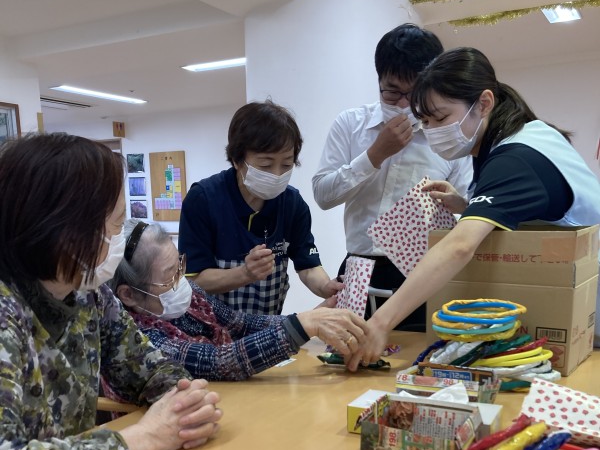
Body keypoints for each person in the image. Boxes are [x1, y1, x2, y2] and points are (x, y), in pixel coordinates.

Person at [0, 133, 222, 450]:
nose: (119, 241)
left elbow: (149, 369)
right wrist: (146, 437)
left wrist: (184, 403)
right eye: (116, 226)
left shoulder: (88, 294)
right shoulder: (6, 312)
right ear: (62, 231)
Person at [347, 47, 600, 369]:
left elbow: (460, 246)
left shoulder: (515, 158)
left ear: (483, 103)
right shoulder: (524, 134)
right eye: (425, 121)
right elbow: (538, 214)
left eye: (440, 118)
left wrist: (381, 323)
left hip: (587, 310)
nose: (432, 131)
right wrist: (466, 205)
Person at [312, 23, 472, 329]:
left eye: (413, 94)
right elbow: (323, 195)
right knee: (349, 348)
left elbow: (470, 211)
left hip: (422, 271)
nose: (402, 104)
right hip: (359, 266)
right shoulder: (351, 124)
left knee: (417, 352)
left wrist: (459, 203)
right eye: (391, 91)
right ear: (378, 81)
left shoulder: (448, 136)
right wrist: (375, 154)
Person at [111, 221, 369, 381]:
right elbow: (218, 362)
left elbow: (241, 324)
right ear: (128, 295)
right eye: (169, 276)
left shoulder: (191, 298)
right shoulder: (136, 340)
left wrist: (309, 318)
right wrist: (302, 326)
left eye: (180, 266)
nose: (182, 280)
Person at [178, 100, 340, 315]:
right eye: (265, 165)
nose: (277, 174)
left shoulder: (292, 204)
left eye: (286, 164)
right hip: (210, 328)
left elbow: (308, 266)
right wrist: (245, 273)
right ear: (237, 160)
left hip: (268, 326)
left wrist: (326, 287)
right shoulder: (204, 199)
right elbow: (194, 279)